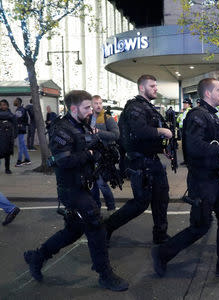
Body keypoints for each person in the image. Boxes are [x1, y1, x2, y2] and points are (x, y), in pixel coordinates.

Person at [23, 90, 128, 291]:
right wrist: (89, 153)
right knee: (96, 227)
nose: (91, 111)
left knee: (73, 231)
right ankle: (105, 275)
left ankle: (37, 256)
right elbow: (64, 161)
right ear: (73, 108)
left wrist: (97, 148)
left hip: (84, 186)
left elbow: (91, 147)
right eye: (87, 107)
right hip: (71, 190)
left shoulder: (82, 125)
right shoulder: (61, 129)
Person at [151, 78, 219, 278]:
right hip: (202, 182)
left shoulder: (212, 115)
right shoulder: (197, 116)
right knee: (200, 227)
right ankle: (162, 253)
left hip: (214, 179)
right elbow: (194, 146)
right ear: (207, 94)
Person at [104, 74, 171, 245]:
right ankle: (105, 228)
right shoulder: (135, 107)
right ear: (142, 88)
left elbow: (145, 137)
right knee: (140, 203)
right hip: (139, 163)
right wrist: (161, 132)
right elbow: (140, 131)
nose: (156, 88)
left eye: (156, 86)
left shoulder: (146, 107)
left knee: (161, 197)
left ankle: (160, 235)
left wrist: (161, 148)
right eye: (152, 86)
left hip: (151, 160)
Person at [88, 95, 118, 212]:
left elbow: (116, 135)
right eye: (96, 103)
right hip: (91, 155)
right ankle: (96, 208)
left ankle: (111, 207)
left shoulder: (108, 118)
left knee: (101, 183)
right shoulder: (88, 118)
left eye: (100, 103)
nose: (99, 105)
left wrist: (99, 132)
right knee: (93, 184)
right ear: (92, 105)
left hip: (104, 156)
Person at [0, 99, 17, 174]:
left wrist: (15, 134)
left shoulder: (11, 114)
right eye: (1, 105)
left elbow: (15, 125)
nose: (2, 106)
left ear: (7, 105)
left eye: (4, 105)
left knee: (7, 153)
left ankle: (7, 168)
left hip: (8, 137)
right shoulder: (11, 115)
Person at [13, 97, 31, 167]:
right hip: (22, 128)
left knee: (20, 146)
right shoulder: (21, 109)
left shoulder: (20, 110)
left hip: (20, 129)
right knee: (23, 145)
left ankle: (19, 161)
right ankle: (27, 159)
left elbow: (17, 119)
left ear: (18, 102)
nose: (14, 102)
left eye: (15, 101)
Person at [177, 98, 193, 165]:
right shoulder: (185, 111)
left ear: (189, 104)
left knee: (186, 146)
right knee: (184, 146)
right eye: (183, 103)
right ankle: (186, 160)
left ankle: (188, 161)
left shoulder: (189, 111)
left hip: (186, 130)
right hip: (183, 130)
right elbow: (178, 120)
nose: (184, 105)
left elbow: (182, 120)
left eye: (185, 103)